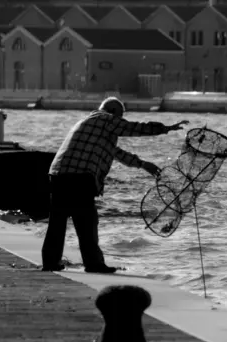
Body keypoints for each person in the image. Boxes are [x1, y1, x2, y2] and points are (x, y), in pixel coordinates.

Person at [42, 97, 189, 273]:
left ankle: (50, 263)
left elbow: (116, 153)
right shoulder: (105, 119)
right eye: (119, 116)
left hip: (58, 174)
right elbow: (133, 128)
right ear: (112, 112)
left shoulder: (90, 123)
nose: (120, 121)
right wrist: (165, 129)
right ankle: (94, 264)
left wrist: (143, 164)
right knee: (87, 223)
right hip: (79, 177)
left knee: (57, 223)